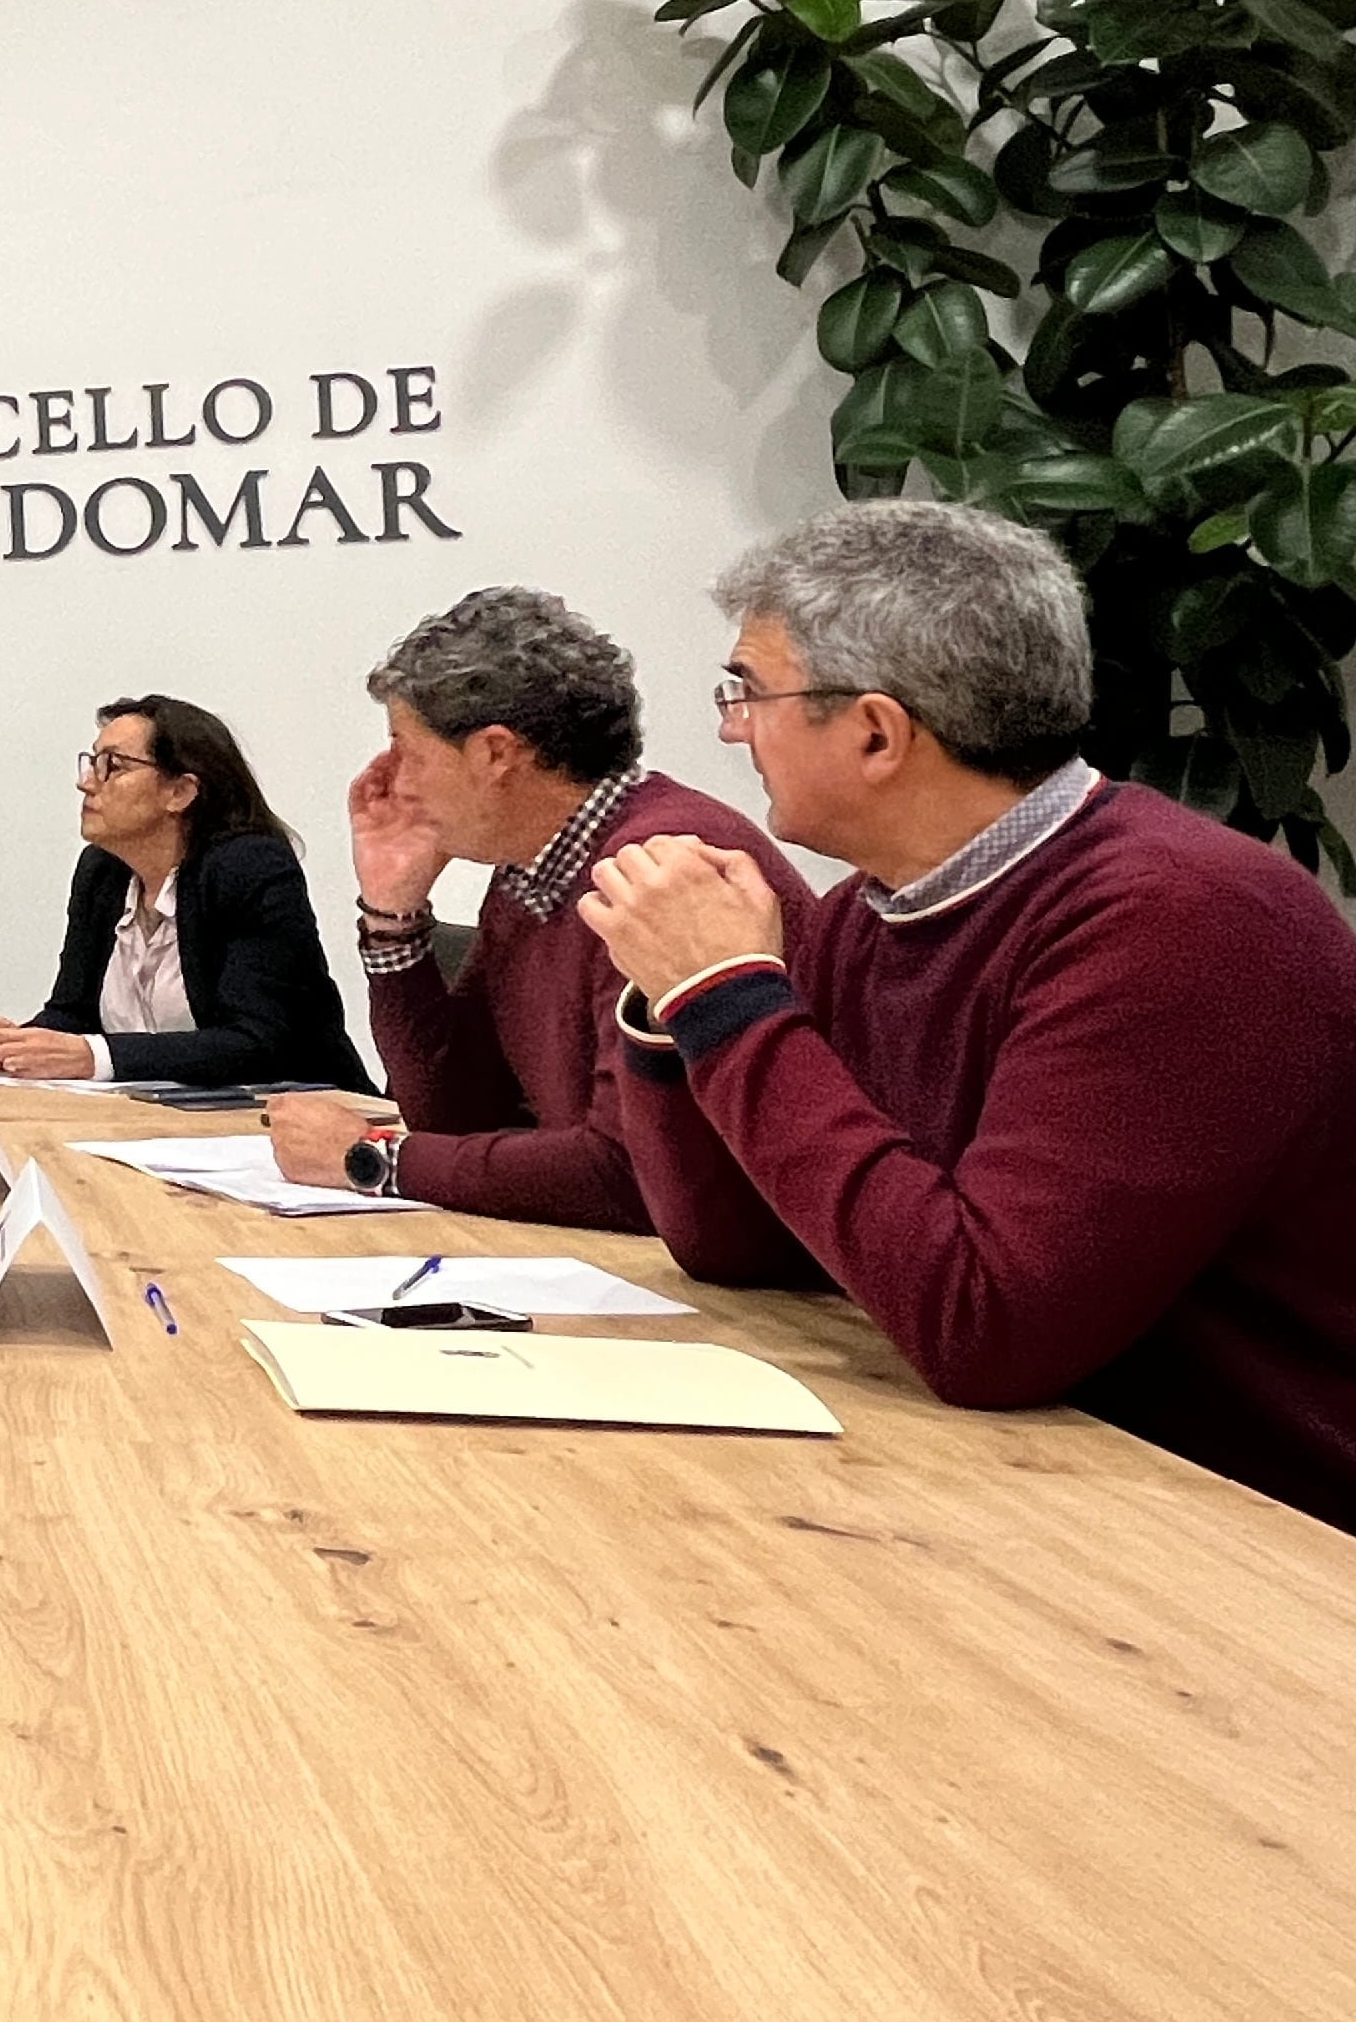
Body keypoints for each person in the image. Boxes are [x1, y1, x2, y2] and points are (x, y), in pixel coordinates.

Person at [580, 503, 1356, 1534]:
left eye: (748, 692)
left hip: (1260, 1542)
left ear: (875, 731)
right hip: (1038, 1491)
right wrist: (678, 1005)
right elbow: (740, 1246)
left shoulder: (1184, 918)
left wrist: (725, 994)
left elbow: (987, 1326)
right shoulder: (872, 909)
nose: (732, 728)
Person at [264, 591, 809, 1217]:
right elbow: (459, 1113)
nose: (397, 783)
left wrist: (375, 1159)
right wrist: (394, 916)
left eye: (407, 753)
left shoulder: (657, 870)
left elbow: (628, 1174)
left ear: (496, 753)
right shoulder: (538, 867)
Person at [0, 695, 368, 1092]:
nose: (86, 783)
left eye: (111, 766)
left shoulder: (249, 867)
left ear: (180, 792)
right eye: (91, 762)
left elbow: (258, 1041)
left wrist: (92, 1056)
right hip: (161, 1122)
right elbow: (74, 1013)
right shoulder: (101, 873)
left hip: (300, 1121)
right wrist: (18, 1045)